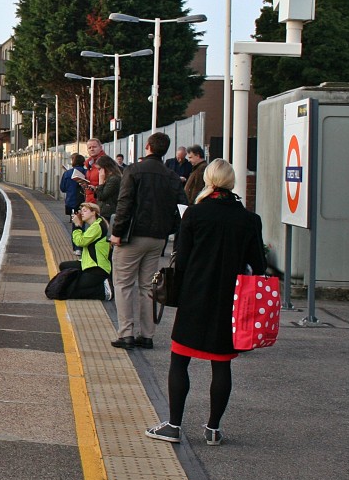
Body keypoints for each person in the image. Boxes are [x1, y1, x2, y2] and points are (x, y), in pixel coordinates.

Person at [145, 160, 265, 445]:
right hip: (230, 301)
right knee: (221, 364)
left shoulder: (195, 215)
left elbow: (182, 260)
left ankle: (173, 426)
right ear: (232, 182)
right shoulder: (249, 219)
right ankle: (213, 429)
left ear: (208, 181)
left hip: (194, 297)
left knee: (180, 360)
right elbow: (258, 265)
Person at [108, 132, 188, 350]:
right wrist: (168, 229)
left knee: (124, 284)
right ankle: (147, 335)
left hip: (132, 237)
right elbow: (183, 208)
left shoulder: (133, 170)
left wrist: (117, 231)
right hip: (157, 240)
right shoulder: (172, 176)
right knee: (147, 286)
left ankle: (126, 334)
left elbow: (124, 203)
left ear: (148, 146)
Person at [58, 202, 112, 300]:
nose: (82, 213)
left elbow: (80, 242)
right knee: (64, 266)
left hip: (97, 268)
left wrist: (77, 226)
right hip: (87, 263)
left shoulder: (97, 226)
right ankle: (85, 279)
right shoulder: (95, 224)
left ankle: (104, 291)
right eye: (81, 211)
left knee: (70, 291)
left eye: (85, 211)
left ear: (93, 213)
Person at [94, 153, 123, 222]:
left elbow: (102, 196)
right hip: (105, 211)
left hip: (108, 212)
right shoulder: (109, 178)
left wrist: (100, 181)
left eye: (99, 169)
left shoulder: (114, 179)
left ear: (105, 168)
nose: (99, 172)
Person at [82, 138, 104, 203]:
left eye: (94, 147)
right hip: (90, 200)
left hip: (98, 202)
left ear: (100, 147)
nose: (92, 149)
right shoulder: (90, 163)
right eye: (89, 148)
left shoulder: (104, 162)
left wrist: (95, 188)